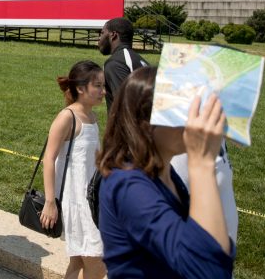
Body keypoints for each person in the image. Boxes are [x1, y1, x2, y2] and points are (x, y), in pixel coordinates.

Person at [97, 67, 235, 278]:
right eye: (180, 112)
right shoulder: (127, 184)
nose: (191, 121)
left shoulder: (165, 174)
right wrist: (202, 163)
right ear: (145, 124)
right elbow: (208, 271)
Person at [40, 61, 106, 279]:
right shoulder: (67, 117)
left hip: (92, 199)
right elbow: (48, 159)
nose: (103, 91)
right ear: (81, 88)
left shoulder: (92, 117)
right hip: (76, 201)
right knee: (97, 263)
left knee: (79, 260)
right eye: (98, 86)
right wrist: (50, 202)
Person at [97, 17, 148, 111]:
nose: (99, 39)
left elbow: (124, 105)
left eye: (102, 33)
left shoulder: (115, 63)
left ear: (113, 35)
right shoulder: (139, 60)